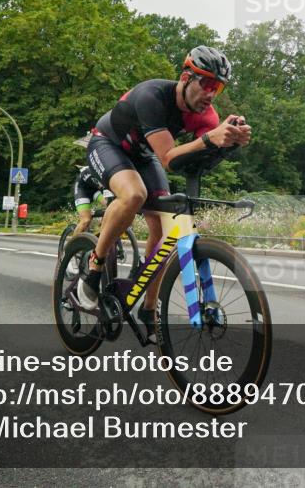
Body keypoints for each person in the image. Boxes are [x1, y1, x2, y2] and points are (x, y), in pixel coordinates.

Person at [78, 46, 251, 333]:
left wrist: (228, 143)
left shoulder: (207, 116)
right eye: (206, 84)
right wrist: (210, 138)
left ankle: (148, 307)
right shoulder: (152, 96)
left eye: (217, 88)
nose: (210, 94)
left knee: (163, 229)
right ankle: (95, 266)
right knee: (134, 194)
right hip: (109, 143)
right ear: (186, 77)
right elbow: (170, 159)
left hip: (144, 154)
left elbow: (196, 160)